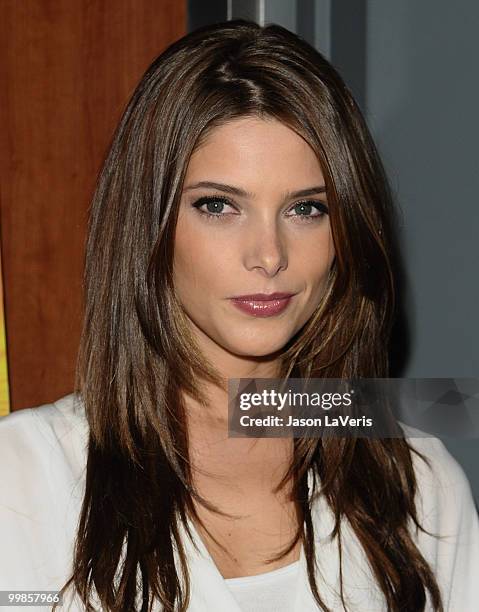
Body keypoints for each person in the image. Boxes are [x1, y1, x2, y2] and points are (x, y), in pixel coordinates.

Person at [0, 19, 478, 612]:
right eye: (219, 205)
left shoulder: (421, 483)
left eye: (306, 208)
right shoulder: (19, 478)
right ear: (149, 223)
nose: (270, 255)